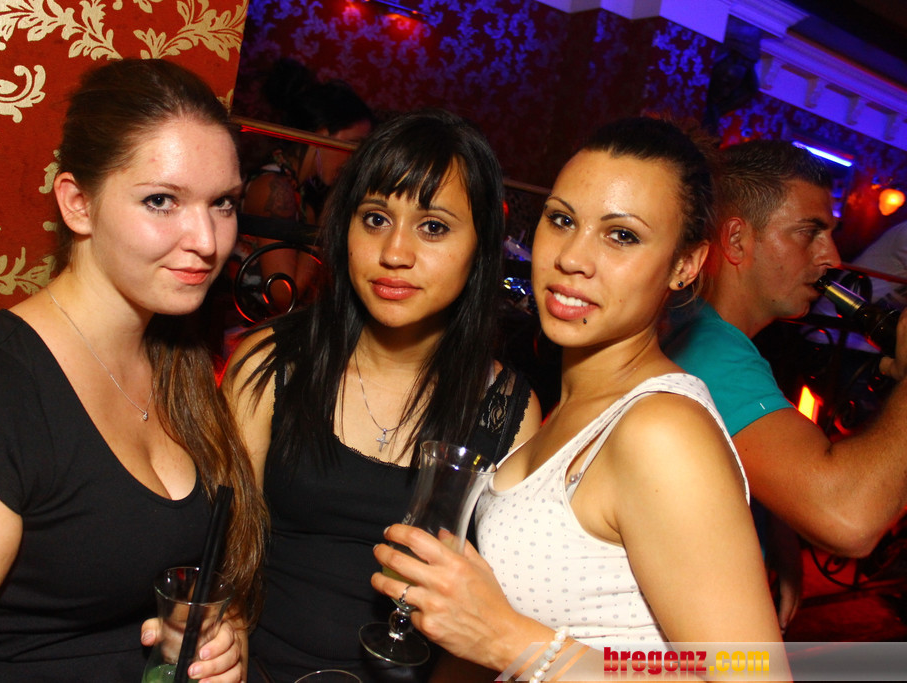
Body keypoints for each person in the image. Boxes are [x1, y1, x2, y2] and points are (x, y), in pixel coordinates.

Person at [0, 59, 266, 682]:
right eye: (162, 201)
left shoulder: (179, 360)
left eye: (222, 203)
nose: (206, 239)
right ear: (78, 204)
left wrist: (208, 643)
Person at [370, 117, 788, 679]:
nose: (571, 257)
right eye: (562, 220)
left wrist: (508, 640)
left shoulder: (663, 430)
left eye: (622, 236)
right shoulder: (570, 408)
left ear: (685, 265)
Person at [226, 109, 543, 682]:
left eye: (433, 227)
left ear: (480, 248)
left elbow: (490, 621)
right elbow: (224, 554)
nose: (395, 252)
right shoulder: (271, 362)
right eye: (375, 219)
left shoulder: (507, 412)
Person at [662, 139, 907, 571]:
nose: (832, 258)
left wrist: (774, 527)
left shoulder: (689, 319)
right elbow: (848, 518)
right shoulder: (710, 350)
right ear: (736, 240)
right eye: (809, 233)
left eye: (830, 234)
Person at [236, 58, 374, 313]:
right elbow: (283, 294)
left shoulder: (299, 193)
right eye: (354, 144)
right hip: (243, 327)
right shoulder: (275, 187)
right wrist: (325, 219)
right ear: (322, 134)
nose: (355, 158)